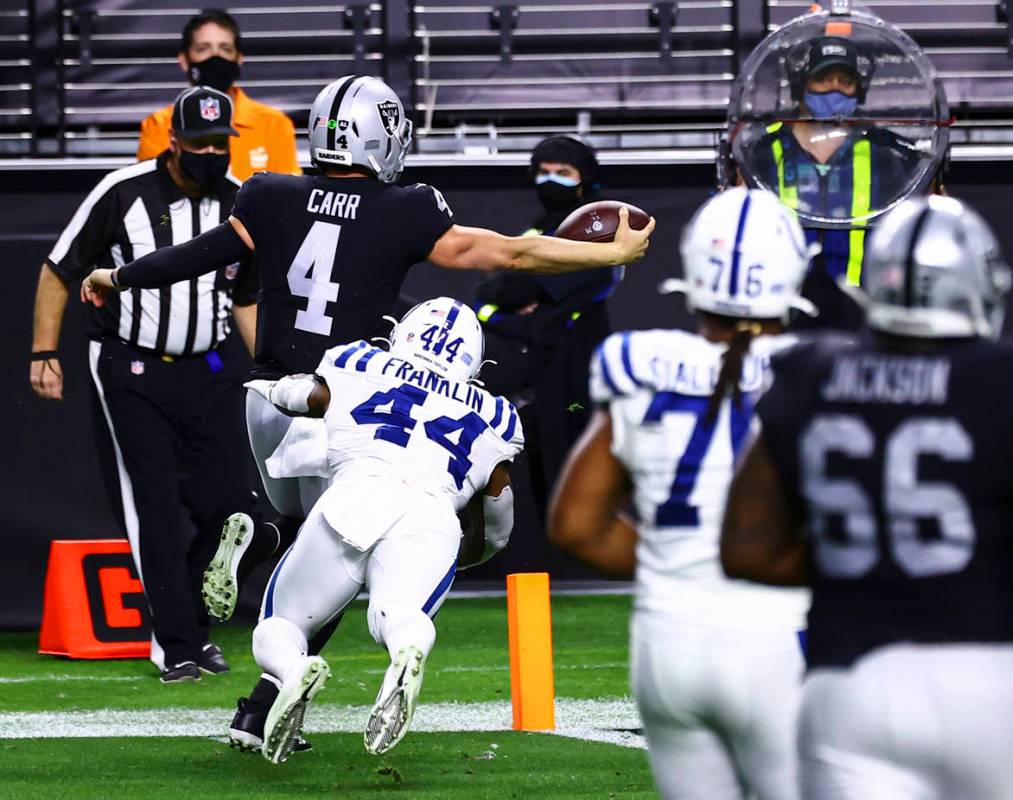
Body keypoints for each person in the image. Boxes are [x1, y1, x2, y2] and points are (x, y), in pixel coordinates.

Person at [81, 74, 654, 749]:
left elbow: (198, 257)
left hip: (270, 397)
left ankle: (259, 563)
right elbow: (511, 250)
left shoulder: (266, 193)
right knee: (342, 556)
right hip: (352, 391)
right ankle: (266, 673)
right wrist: (607, 252)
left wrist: (117, 276)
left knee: (305, 538)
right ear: (383, 136)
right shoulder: (406, 206)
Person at [721, 195, 1013, 799]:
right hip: (985, 677)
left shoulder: (810, 370)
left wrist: (864, 564)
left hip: (848, 686)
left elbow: (747, 549)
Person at [548, 188, 814, 800]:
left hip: (670, 642)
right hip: (776, 639)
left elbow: (579, 527)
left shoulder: (639, 359)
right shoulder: (821, 368)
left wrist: (680, 565)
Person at [31, 86, 256, 682]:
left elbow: (247, 297)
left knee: (233, 507)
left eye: (220, 143)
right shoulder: (122, 191)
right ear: (174, 141)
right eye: (200, 142)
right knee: (152, 506)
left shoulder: (238, 202)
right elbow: (60, 268)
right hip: (130, 367)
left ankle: (185, 620)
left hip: (210, 368)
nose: (212, 153)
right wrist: (43, 351)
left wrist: (271, 374)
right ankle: (178, 643)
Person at [241, 298, 524, 763]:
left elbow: (304, 395)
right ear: (472, 360)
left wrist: (268, 391)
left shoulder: (359, 361)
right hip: (433, 516)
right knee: (399, 611)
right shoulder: (496, 414)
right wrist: (475, 553)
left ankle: (295, 671)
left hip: (358, 495)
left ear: (404, 333)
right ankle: (408, 649)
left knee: (281, 624)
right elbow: (498, 513)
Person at [475, 135, 624, 525]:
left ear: (583, 179)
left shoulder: (596, 233)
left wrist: (513, 293)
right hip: (537, 373)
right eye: (543, 172)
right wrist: (508, 304)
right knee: (537, 457)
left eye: (562, 172)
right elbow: (495, 290)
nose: (550, 179)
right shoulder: (537, 228)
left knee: (576, 456)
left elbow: (520, 290)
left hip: (577, 371)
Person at [747, 35, 922, 330]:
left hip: (863, 313)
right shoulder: (761, 151)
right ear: (801, 83)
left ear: (860, 88)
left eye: (845, 81)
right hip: (780, 309)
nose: (835, 89)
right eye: (824, 78)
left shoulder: (888, 153)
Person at [137, 9, 300, 181]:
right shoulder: (157, 125)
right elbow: (151, 194)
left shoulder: (274, 125)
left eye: (225, 48)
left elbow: (286, 197)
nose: (215, 56)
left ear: (239, 59)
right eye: (203, 49)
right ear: (184, 61)